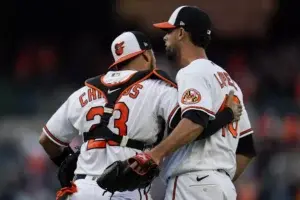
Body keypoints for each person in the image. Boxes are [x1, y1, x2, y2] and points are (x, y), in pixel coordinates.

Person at [39, 31, 241, 200]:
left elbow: (47, 140)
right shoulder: (159, 88)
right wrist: (227, 114)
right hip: (126, 192)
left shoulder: (83, 92)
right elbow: (192, 127)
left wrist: (69, 159)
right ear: (146, 55)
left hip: (80, 190)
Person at [142, 5, 256, 200]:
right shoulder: (229, 82)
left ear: (181, 33)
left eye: (168, 31)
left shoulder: (192, 72)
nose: (164, 37)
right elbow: (246, 149)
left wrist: (155, 154)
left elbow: (194, 121)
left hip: (192, 182)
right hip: (222, 187)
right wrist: (218, 181)